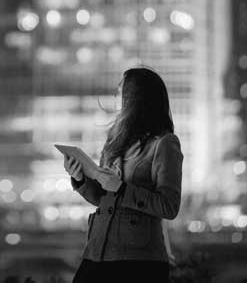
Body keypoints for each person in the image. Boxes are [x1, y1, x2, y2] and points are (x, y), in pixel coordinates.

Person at [63, 67, 183, 283]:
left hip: (138, 259)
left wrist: (122, 188)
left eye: (121, 90)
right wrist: (80, 179)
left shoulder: (163, 143)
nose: (116, 96)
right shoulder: (115, 140)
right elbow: (102, 198)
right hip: (98, 251)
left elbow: (169, 206)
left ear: (136, 97)